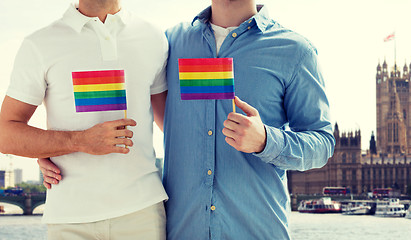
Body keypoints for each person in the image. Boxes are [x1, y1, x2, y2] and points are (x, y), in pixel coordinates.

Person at [41, 0, 335, 239]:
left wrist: (266, 141)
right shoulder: (170, 43)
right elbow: (123, 98)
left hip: (257, 229)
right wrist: (58, 149)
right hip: (183, 231)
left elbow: (322, 143)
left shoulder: (294, 50)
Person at [0, 0, 169, 239]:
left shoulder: (153, 37)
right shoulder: (40, 43)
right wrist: (78, 141)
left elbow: (173, 126)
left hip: (142, 214)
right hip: (69, 220)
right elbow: (5, 135)